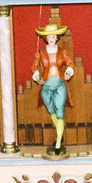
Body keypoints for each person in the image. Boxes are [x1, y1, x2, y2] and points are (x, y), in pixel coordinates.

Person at [31, 22, 74, 157]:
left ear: (57, 38)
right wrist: (36, 75)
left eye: (54, 36)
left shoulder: (63, 52)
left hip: (60, 85)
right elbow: (34, 66)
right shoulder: (41, 53)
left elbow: (70, 63)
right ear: (45, 38)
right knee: (51, 110)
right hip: (46, 86)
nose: (51, 38)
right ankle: (60, 134)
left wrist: (69, 70)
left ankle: (58, 143)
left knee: (60, 111)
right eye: (49, 36)